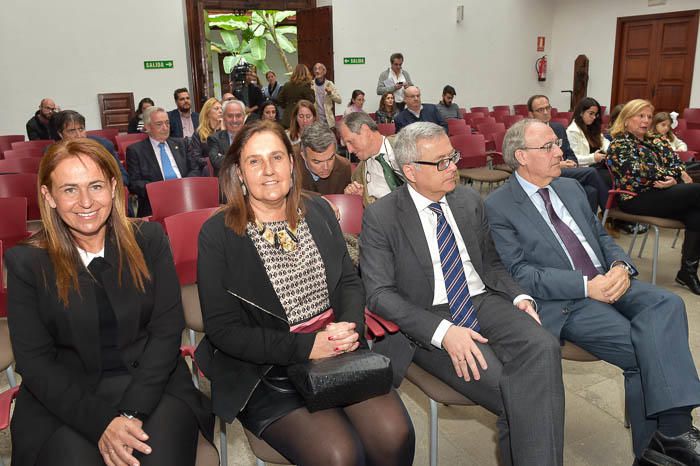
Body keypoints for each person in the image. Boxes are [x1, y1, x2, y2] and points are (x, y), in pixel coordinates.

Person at [195, 119, 415, 465]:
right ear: (238, 172)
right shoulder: (216, 235)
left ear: (292, 163)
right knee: (340, 455)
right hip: (267, 370)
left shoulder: (317, 210)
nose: (268, 170)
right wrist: (308, 346)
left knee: (394, 435)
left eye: (277, 157)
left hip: (338, 351)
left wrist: (348, 328)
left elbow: (348, 281)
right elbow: (224, 331)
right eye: (255, 161)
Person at [484, 118, 700, 464]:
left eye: (558, 143)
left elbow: (601, 238)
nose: (560, 152)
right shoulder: (498, 206)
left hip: (609, 279)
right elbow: (520, 273)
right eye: (550, 147)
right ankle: (662, 448)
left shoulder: (569, 188)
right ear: (521, 156)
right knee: (643, 348)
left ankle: (671, 433)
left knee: (669, 303)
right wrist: (586, 286)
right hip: (568, 300)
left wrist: (620, 267)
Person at [360, 121, 564, 466]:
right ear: (410, 170)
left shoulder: (468, 200)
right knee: (517, 390)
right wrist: (444, 333)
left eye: (452, 156)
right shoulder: (382, 217)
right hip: (427, 319)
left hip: (481, 300)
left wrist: (519, 297)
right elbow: (379, 294)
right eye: (441, 162)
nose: (454, 166)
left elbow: (493, 265)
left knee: (544, 347)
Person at [5, 138, 214, 466]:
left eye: (96, 186)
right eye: (70, 189)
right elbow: (35, 362)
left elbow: (166, 331)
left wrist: (131, 412)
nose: (86, 202)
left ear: (114, 188)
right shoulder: (25, 263)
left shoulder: (149, 240)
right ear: (49, 196)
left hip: (151, 385)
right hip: (67, 399)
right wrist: (101, 422)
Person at [607, 99, 700, 295]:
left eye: (649, 116)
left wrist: (673, 177)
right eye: (641, 116)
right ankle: (688, 272)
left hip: (663, 194)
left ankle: (688, 272)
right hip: (635, 198)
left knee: (696, 212)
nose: (646, 120)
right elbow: (638, 171)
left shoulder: (656, 140)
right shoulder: (619, 144)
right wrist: (672, 175)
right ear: (626, 119)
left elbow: (676, 163)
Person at [528, 94, 609, 213]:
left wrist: (572, 162)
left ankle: (590, 226)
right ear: (531, 114)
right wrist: (559, 164)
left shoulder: (558, 128)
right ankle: (611, 213)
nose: (545, 112)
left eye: (547, 108)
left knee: (592, 191)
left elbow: (569, 152)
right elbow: (533, 162)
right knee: (592, 172)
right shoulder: (528, 133)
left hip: (565, 170)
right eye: (540, 110)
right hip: (546, 172)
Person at [126, 106, 201, 217]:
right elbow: (134, 183)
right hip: (155, 204)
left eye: (167, 123)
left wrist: (183, 186)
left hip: (185, 198)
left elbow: (195, 169)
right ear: (147, 127)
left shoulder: (181, 144)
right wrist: (162, 190)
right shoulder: (136, 151)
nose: (165, 128)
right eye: (159, 124)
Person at [338, 112, 404, 206]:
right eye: (346, 144)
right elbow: (369, 213)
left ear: (366, 131)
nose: (349, 150)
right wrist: (358, 199)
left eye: (351, 142)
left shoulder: (406, 145)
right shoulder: (358, 176)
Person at [53, 110, 129, 188]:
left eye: (81, 129)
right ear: (60, 134)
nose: (79, 135)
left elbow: (123, 177)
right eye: (72, 131)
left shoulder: (104, 146)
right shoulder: (54, 153)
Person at [299, 121, 353, 195]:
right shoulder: (288, 167)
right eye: (317, 162)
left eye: (330, 159)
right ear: (303, 156)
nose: (326, 167)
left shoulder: (344, 167)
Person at [566, 97, 611, 185]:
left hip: (599, 166)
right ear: (581, 113)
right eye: (591, 113)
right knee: (609, 178)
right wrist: (593, 158)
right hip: (585, 169)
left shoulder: (592, 127)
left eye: (596, 114)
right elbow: (574, 159)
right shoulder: (572, 131)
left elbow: (605, 142)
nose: (594, 117)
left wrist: (611, 149)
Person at [207, 99, 247, 176]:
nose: (234, 120)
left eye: (238, 116)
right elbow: (216, 162)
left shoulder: (252, 137)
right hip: (225, 183)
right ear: (224, 118)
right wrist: (243, 157)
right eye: (230, 116)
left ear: (244, 117)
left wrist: (224, 157)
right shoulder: (214, 139)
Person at [188, 97, 223, 174]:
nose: (220, 111)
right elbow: (196, 158)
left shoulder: (226, 130)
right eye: (216, 109)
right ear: (208, 112)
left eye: (221, 108)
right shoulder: (199, 133)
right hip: (208, 170)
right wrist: (213, 159)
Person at [277, 64, 315, 129]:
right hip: (301, 117)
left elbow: (279, 99)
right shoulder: (305, 86)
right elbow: (311, 101)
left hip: (287, 116)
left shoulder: (287, 85)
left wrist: (287, 106)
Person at [311, 62, 342, 129]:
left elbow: (339, 100)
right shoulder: (311, 84)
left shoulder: (329, 84)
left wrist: (330, 93)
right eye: (315, 69)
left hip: (328, 122)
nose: (317, 71)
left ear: (324, 71)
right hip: (316, 121)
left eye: (319, 69)